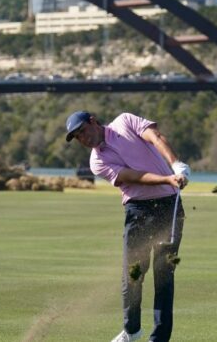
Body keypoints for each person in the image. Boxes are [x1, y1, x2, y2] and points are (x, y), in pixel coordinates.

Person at [65, 110, 190, 342]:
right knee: (133, 274)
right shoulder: (97, 162)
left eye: (82, 132)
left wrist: (177, 165)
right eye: (77, 138)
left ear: (93, 121)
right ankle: (132, 330)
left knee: (164, 275)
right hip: (138, 210)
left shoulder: (125, 121)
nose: (82, 139)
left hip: (169, 206)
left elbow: (156, 137)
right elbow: (132, 176)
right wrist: (166, 179)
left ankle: (159, 338)